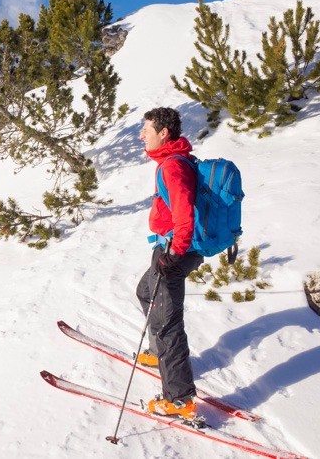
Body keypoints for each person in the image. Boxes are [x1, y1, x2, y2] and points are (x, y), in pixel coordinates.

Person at [135, 107, 203, 420]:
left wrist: (174, 254)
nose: (141, 135)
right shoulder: (172, 161)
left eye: (146, 130)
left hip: (175, 252)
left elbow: (184, 212)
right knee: (145, 292)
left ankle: (179, 399)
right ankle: (156, 354)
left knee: (168, 325)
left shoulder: (173, 166)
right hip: (170, 247)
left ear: (163, 133)